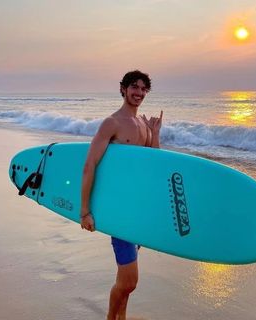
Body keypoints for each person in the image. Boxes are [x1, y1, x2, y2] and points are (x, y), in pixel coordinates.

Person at [80, 70, 163, 320]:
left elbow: (153, 165)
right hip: (120, 212)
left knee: (126, 282)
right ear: (123, 89)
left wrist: (155, 134)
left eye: (143, 89)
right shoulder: (112, 123)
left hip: (137, 211)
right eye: (134, 87)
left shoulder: (144, 126)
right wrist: (85, 211)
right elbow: (90, 164)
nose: (138, 92)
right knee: (129, 282)